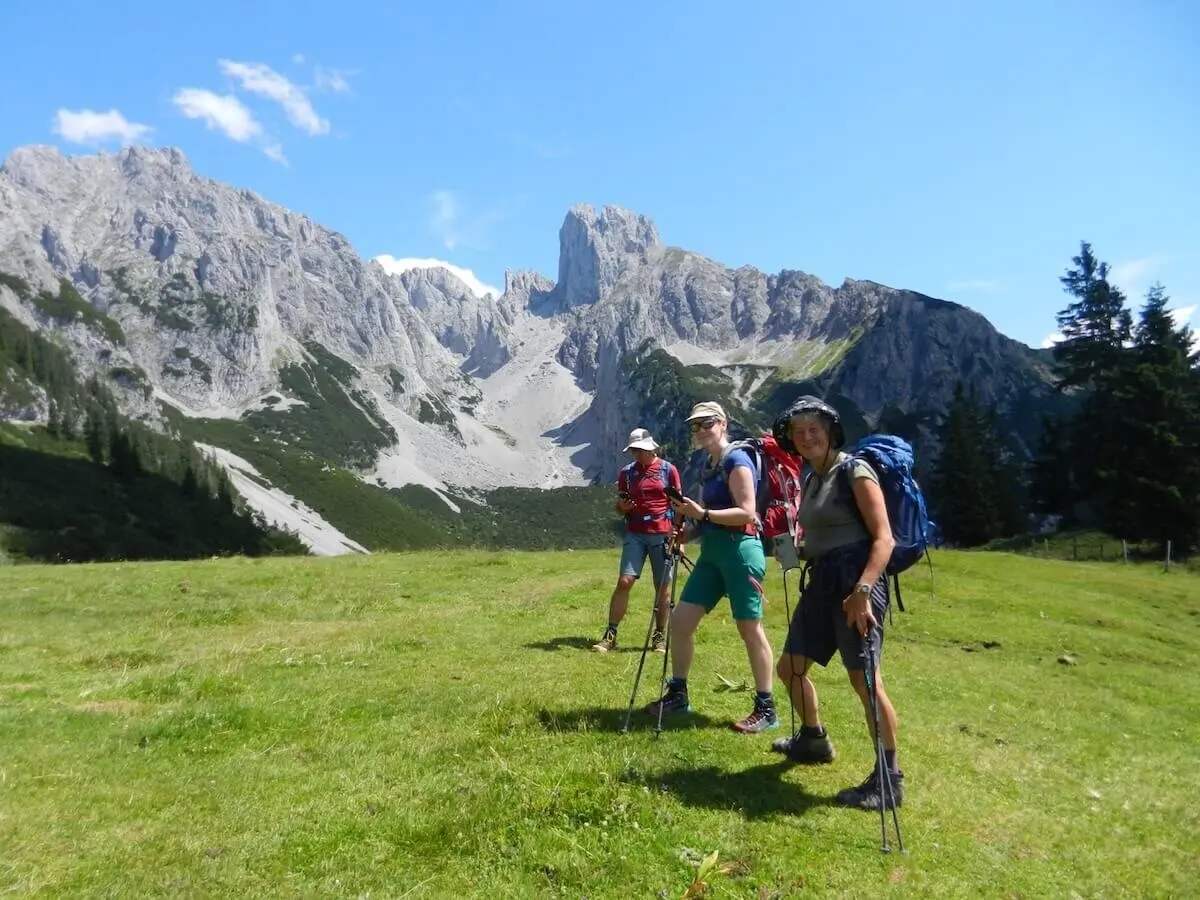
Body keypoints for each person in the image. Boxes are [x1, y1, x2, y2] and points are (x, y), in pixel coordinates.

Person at [770, 395, 905, 811]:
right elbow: (823, 535)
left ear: (830, 432)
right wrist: (796, 551)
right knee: (790, 667)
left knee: (865, 681)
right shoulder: (812, 477)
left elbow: (884, 538)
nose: (807, 437)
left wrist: (863, 590)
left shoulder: (855, 470)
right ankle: (813, 740)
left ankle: (889, 779)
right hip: (823, 579)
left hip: (855, 584)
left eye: (815, 429)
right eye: (799, 431)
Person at [645, 401, 779, 734]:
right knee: (681, 621)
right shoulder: (710, 463)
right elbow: (710, 519)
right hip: (714, 551)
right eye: (695, 425)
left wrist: (700, 515)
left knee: (749, 627)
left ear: (722, 423)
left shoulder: (736, 459)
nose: (700, 430)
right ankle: (678, 694)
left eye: (706, 423)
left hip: (741, 550)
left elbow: (747, 512)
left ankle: (766, 708)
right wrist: (687, 533)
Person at [591, 428, 681, 654]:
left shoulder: (668, 470)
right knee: (624, 581)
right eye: (633, 451)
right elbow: (619, 507)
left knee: (663, 589)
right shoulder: (627, 473)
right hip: (635, 532)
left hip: (662, 533)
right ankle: (610, 634)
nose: (636, 455)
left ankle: (659, 635)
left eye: (639, 450)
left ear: (651, 448)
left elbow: (679, 504)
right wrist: (621, 508)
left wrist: (678, 534)